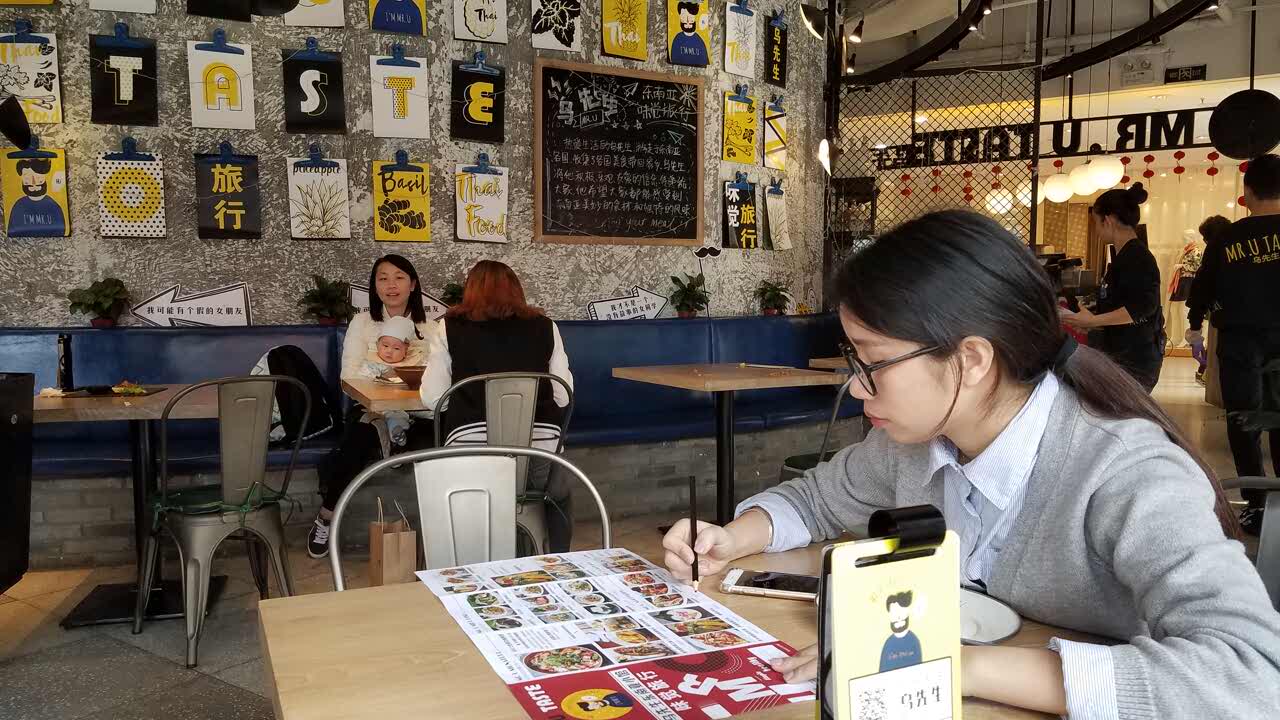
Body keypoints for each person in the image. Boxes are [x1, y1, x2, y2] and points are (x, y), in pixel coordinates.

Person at [662, 210, 1280, 718]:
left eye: (873, 363)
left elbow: (1252, 674)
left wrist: (951, 664)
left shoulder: (1125, 472)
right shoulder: (914, 442)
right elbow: (817, 499)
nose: (855, 387)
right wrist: (730, 537)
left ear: (973, 360)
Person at [421, 260, 575, 552]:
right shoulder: (546, 326)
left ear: (470, 291)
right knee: (561, 491)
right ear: (517, 290)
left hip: (471, 459)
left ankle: (462, 553)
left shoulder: (449, 327)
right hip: (538, 459)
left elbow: (433, 398)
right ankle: (559, 557)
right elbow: (563, 396)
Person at [308, 254, 440, 559]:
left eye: (399, 277)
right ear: (374, 286)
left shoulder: (432, 328)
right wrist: (388, 379)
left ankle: (438, 531)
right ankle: (326, 517)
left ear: (413, 284)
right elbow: (349, 376)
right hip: (372, 409)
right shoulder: (363, 323)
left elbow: (440, 378)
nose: (391, 285)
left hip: (420, 412)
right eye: (383, 278)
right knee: (358, 439)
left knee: (437, 443)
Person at [1186, 153, 1280, 536]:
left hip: (1241, 345)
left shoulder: (1227, 238)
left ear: (1248, 191)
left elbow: (1203, 288)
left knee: (1244, 423)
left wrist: (1194, 327)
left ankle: (1256, 506)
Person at [1060, 183, 1164, 391]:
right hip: (1122, 355)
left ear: (1107, 221)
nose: (1097, 231)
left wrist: (1094, 321)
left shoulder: (1137, 257)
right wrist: (1090, 323)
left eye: (1096, 223)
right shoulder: (1124, 256)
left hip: (1134, 361)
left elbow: (1142, 307)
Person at [359, 315, 427, 452]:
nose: (389, 351)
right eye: (385, 346)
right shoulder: (372, 364)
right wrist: (379, 377)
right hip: (382, 404)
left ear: (406, 350)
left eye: (396, 348)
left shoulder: (413, 363)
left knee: (421, 411)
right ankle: (396, 430)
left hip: (408, 404)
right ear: (377, 345)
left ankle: (397, 431)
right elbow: (363, 383)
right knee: (392, 413)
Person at [1185, 215, 1231, 386]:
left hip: (1223, 324)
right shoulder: (1240, 254)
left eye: (1206, 238)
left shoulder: (1212, 257)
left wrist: (1195, 334)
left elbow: (1200, 295)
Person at [9, 157, 65, 236]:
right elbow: (12, 231)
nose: (33, 182)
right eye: (27, 178)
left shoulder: (54, 206)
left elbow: (60, 230)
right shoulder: (18, 206)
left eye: (38, 177)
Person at [669, 2, 708, 66]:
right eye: (684, 18)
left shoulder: (699, 41)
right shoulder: (677, 39)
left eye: (690, 18)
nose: (687, 21)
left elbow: (704, 59)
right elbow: (674, 57)